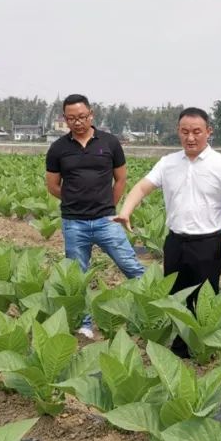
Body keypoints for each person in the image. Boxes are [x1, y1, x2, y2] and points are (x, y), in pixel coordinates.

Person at [114, 107, 221, 358]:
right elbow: (142, 188)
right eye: (185, 132)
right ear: (178, 131)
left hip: (207, 243)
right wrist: (126, 210)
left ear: (208, 132)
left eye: (197, 132)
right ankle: (180, 349)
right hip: (175, 242)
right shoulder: (168, 163)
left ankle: (204, 349)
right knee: (177, 297)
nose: (190, 137)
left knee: (206, 298)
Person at [45, 94, 144, 338]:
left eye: (81, 117)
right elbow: (53, 185)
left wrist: (109, 204)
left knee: (131, 266)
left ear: (91, 115)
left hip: (105, 220)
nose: (77, 122)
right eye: (71, 119)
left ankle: (150, 313)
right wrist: (74, 200)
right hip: (73, 222)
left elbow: (120, 179)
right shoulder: (58, 148)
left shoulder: (109, 143)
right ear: (64, 120)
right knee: (77, 277)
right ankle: (85, 325)